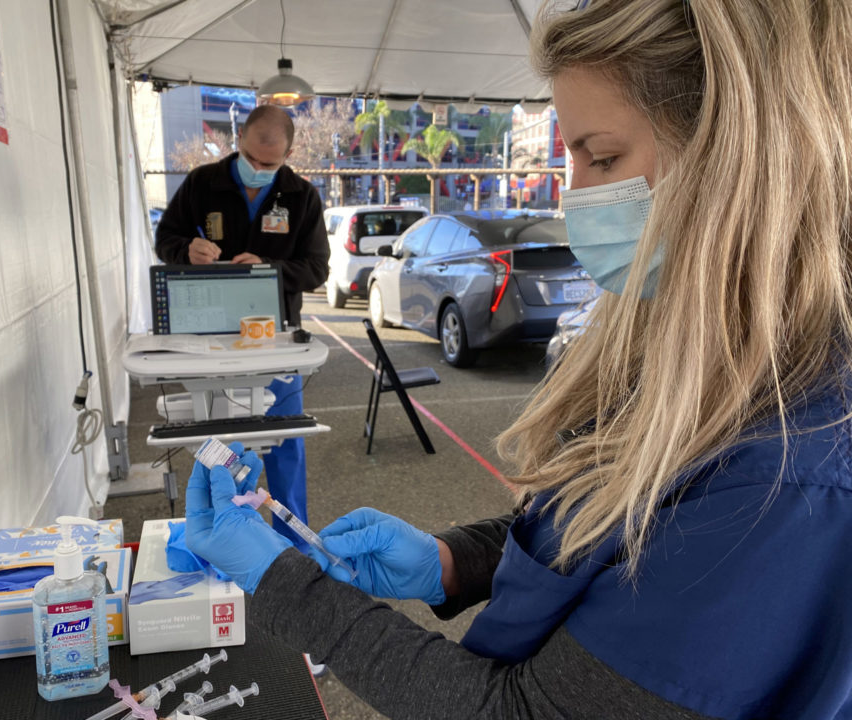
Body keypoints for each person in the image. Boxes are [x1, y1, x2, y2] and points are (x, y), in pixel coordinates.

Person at [185, 0, 852, 717]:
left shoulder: (788, 472)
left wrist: (290, 590)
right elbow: (615, 530)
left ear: (741, 158)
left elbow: (523, 712)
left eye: (604, 157)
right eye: (571, 159)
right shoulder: (696, 349)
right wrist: (452, 563)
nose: (577, 196)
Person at [156, 105, 329, 550]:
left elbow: (317, 269)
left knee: (284, 444)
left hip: (275, 339)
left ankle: (295, 548)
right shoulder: (203, 183)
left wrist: (269, 269)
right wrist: (186, 250)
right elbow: (165, 239)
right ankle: (221, 541)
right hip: (210, 336)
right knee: (218, 446)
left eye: (268, 164)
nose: (257, 169)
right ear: (238, 142)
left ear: (288, 155)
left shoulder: (302, 197)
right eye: (250, 158)